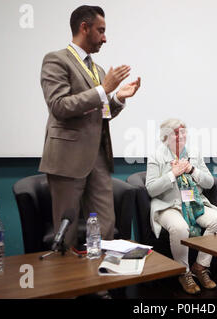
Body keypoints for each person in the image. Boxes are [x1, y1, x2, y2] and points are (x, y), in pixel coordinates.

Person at [39, 5, 141, 248]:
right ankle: (70, 284)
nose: (105, 38)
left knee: (106, 224)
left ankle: (101, 283)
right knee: (67, 229)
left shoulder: (98, 70)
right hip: (67, 159)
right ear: (84, 28)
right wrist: (104, 90)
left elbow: (101, 115)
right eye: (101, 30)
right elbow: (59, 106)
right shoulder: (56, 60)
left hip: (98, 158)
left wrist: (118, 98)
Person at [146, 119, 217, 295]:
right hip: (169, 205)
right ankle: (184, 272)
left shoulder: (194, 153)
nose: (181, 136)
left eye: (183, 132)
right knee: (179, 227)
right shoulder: (156, 156)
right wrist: (172, 174)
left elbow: (209, 182)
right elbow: (151, 189)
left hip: (194, 203)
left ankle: (201, 266)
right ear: (165, 137)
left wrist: (192, 170)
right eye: (176, 133)